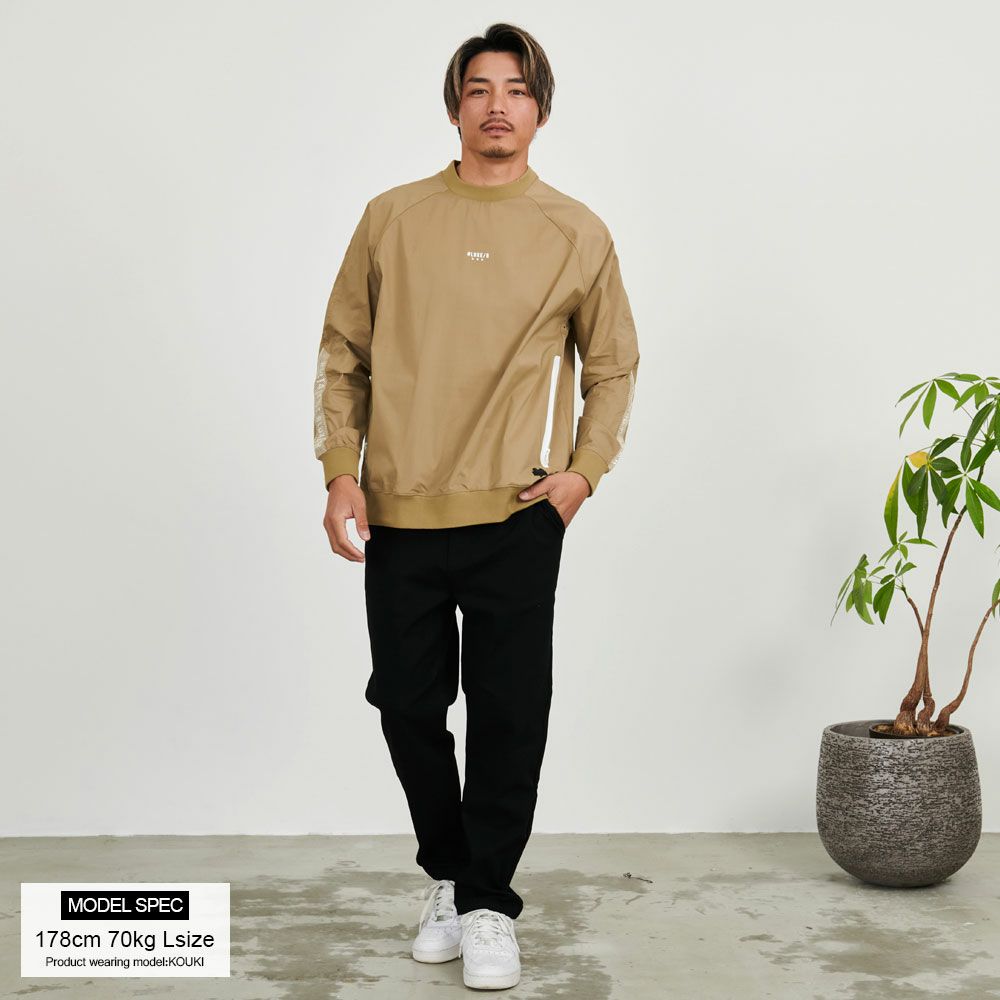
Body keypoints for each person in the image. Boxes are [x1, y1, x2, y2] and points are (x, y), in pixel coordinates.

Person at [313, 22, 640, 992]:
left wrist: (581, 474)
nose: (498, 105)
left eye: (517, 89)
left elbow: (613, 366)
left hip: (516, 514)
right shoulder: (391, 218)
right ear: (455, 106)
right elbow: (343, 354)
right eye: (479, 89)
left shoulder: (576, 230)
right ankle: (453, 876)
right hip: (401, 511)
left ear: (540, 108)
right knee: (407, 704)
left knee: (509, 712)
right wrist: (339, 469)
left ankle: (488, 901)